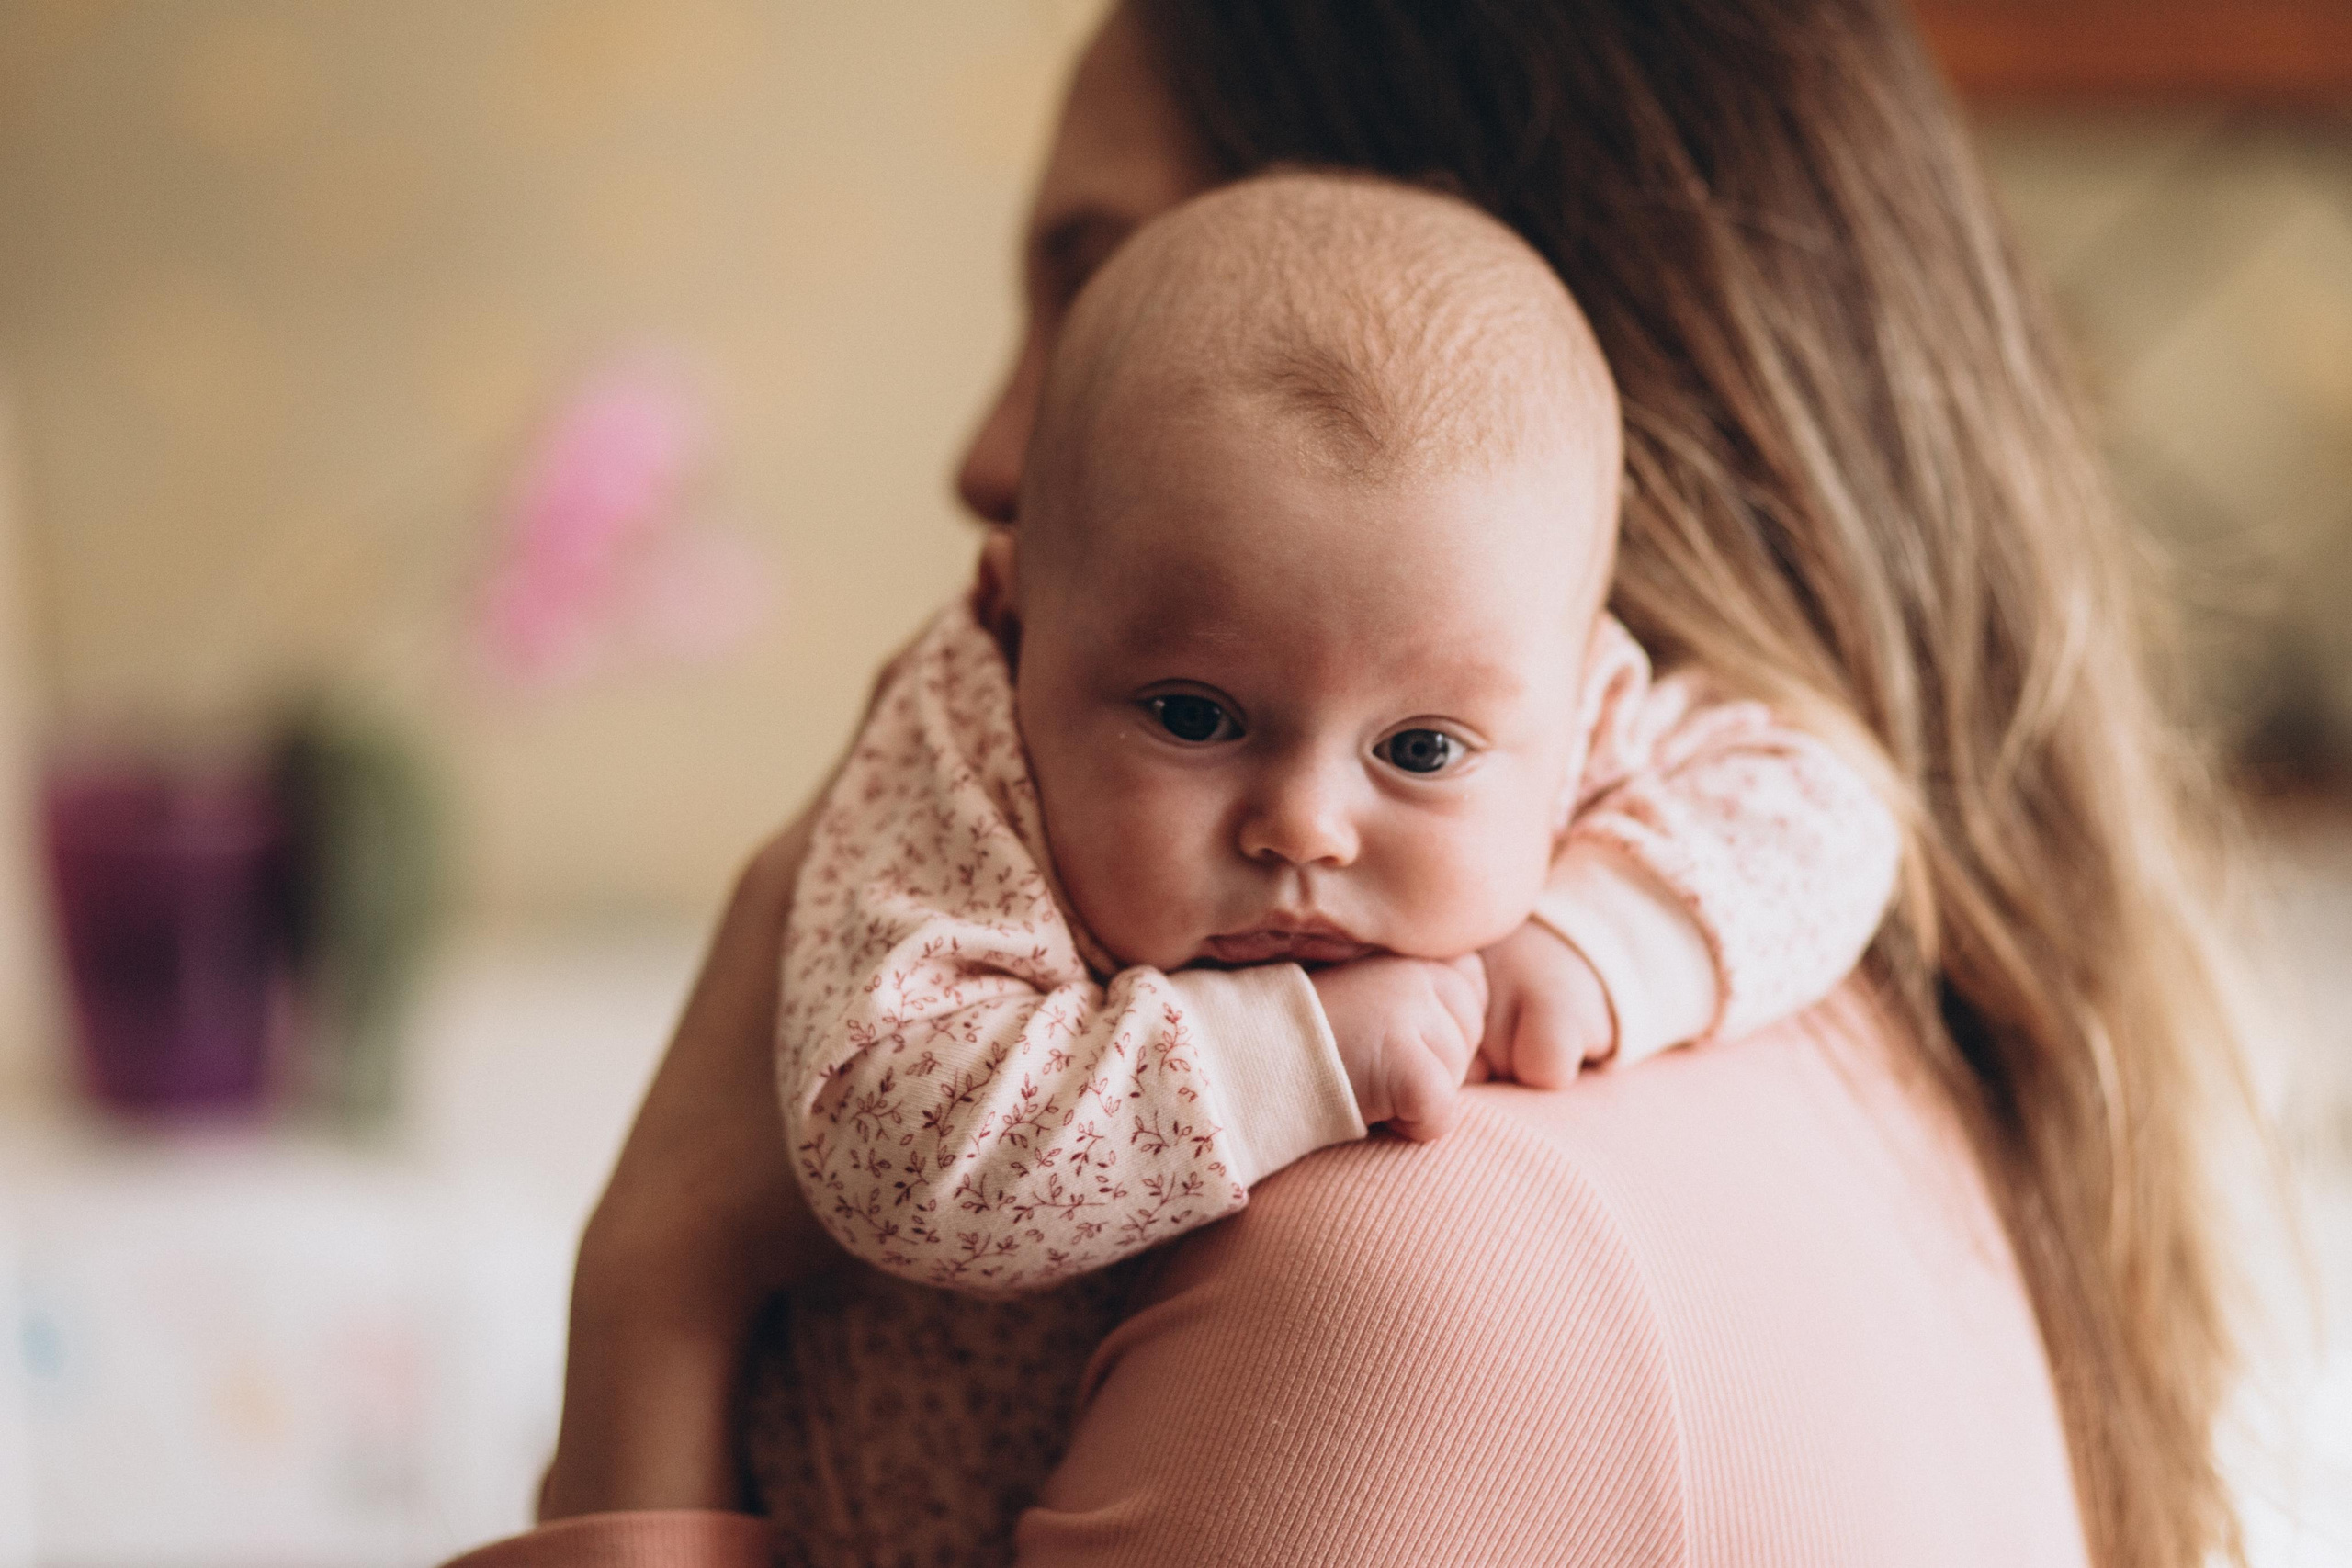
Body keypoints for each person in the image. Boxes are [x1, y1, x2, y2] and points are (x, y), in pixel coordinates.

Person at [450, 3, 2251, 1565]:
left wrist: (656, 1279)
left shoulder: (1381, 1268)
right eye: (1193, 712)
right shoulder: (1850, 1063)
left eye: (1088, 281)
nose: (985, 446)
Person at [784, 170, 1898, 1296]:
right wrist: (1289, 1053)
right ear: (1016, 624)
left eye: (1418, 751)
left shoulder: (1551, 707)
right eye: (1192, 717)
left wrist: (1592, 943)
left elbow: (1831, 815)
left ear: (1582, 683)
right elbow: (894, 1160)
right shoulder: (965, 753)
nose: (1303, 829)